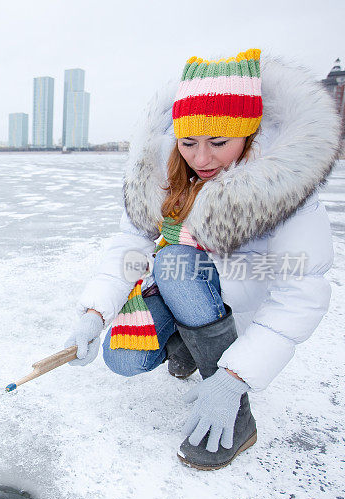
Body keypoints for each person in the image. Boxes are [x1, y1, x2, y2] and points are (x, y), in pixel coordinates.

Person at [64, 49, 340, 470]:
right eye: (188, 142)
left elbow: (301, 291)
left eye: (218, 143)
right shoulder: (163, 176)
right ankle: (187, 344)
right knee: (124, 357)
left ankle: (237, 414)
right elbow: (130, 246)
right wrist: (94, 313)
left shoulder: (287, 190)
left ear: (248, 134)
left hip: (237, 305)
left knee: (175, 260)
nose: (201, 159)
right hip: (184, 293)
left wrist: (233, 379)